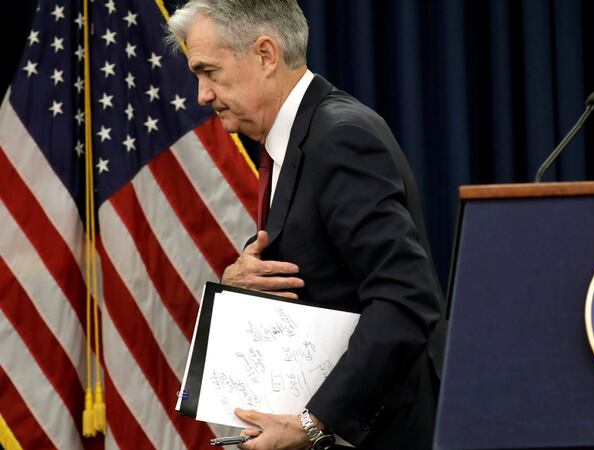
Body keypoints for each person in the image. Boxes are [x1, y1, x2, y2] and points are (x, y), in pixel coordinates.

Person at [167, 1, 444, 449]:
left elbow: (405, 298)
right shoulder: (291, 138)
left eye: (209, 72)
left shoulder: (339, 137)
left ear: (265, 55)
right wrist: (240, 284)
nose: (202, 94)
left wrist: (315, 423)